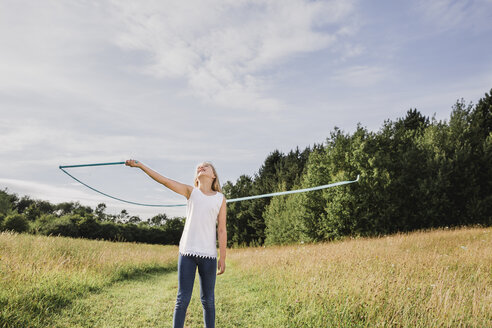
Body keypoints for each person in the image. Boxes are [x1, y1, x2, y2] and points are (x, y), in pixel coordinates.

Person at [125, 159, 227, 328]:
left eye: (205, 166)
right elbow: (164, 181)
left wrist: (222, 257)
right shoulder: (191, 192)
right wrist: (141, 165)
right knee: (182, 299)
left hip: (208, 256)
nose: (200, 167)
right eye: (198, 167)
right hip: (187, 252)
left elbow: (222, 230)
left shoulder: (220, 199)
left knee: (208, 300)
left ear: (213, 175)